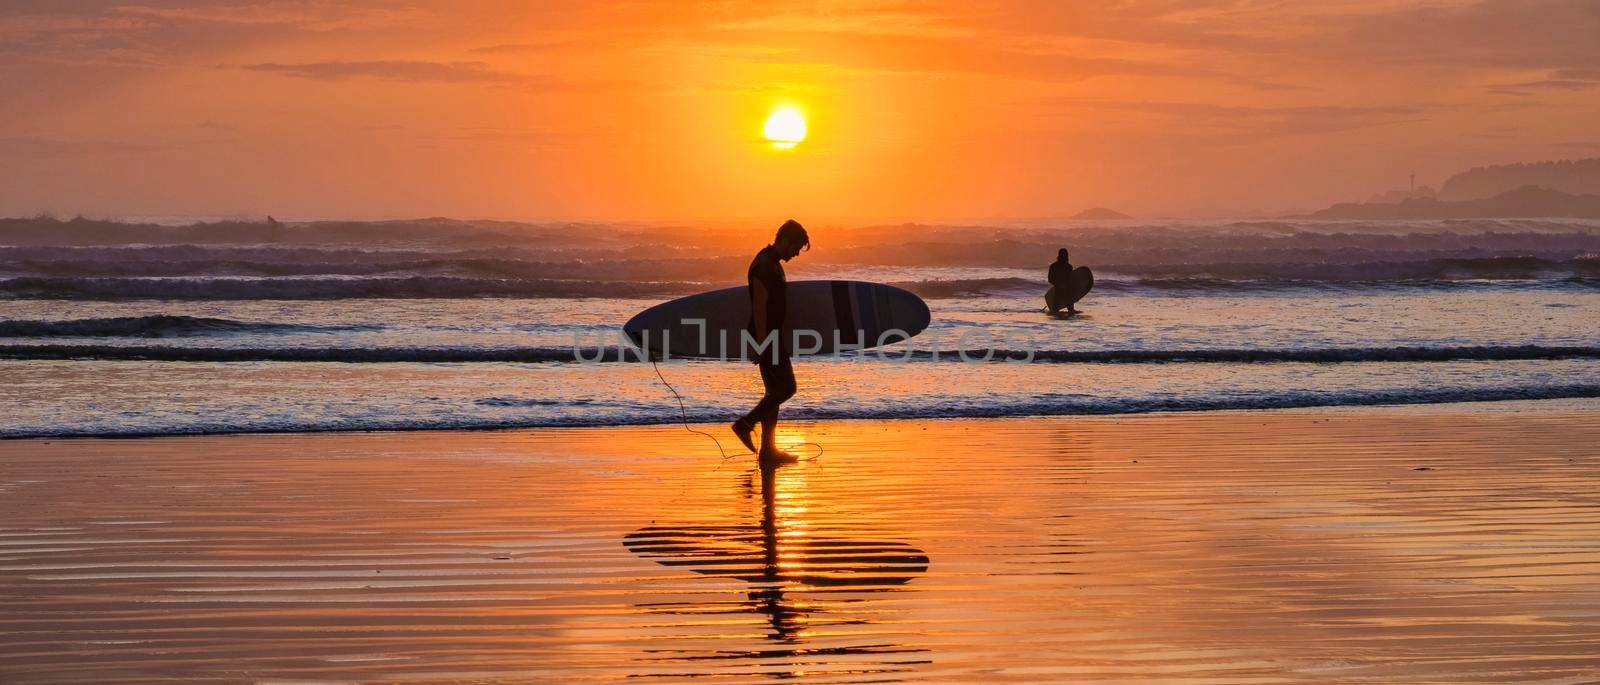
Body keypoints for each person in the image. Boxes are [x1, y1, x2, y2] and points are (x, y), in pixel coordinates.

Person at [732, 219, 810, 462]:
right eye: (795, 247)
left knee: (774, 392)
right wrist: (763, 345)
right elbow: (759, 309)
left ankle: (767, 451)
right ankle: (745, 424)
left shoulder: (772, 263)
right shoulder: (764, 265)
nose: (795, 254)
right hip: (765, 337)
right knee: (787, 389)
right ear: (785, 240)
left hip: (770, 336)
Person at [1047, 247, 1078, 315]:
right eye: (1064, 255)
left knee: (1057, 311)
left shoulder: (1068, 267)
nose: (1065, 257)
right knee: (1066, 311)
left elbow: (1070, 279)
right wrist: (1059, 285)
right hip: (1060, 290)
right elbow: (1050, 279)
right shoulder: (1055, 266)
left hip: (1065, 290)